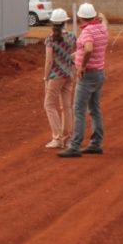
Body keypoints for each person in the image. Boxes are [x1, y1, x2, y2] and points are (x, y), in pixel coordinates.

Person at [58, 3, 108, 158]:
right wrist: (103, 16)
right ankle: (95, 144)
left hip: (88, 76)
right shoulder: (101, 28)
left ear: (80, 17)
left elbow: (88, 49)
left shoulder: (87, 32)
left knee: (78, 110)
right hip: (99, 73)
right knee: (94, 110)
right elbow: (105, 23)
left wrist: (82, 67)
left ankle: (75, 146)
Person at [42, 9, 76, 149]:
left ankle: (57, 138)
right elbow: (78, 50)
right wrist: (70, 58)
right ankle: (68, 139)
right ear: (64, 22)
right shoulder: (72, 36)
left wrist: (46, 76)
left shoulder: (50, 39)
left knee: (49, 105)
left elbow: (49, 60)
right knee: (66, 106)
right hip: (68, 75)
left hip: (56, 76)